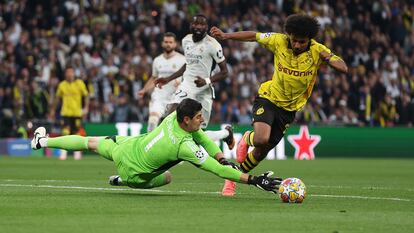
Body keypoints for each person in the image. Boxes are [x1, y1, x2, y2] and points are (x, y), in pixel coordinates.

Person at [210, 14, 348, 195]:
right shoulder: (279, 40)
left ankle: (232, 178)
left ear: (309, 40)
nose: (297, 45)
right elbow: (254, 35)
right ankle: (247, 138)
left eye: (302, 42)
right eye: (294, 40)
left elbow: (343, 68)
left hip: (289, 109)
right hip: (268, 98)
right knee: (261, 139)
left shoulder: (318, 50)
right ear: (289, 35)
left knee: (260, 152)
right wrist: (226, 36)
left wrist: (328, 57)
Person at [31, 98, 282, 193]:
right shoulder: (184, 146)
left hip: (128, 147)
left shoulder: (174, 116)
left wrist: (219, 154)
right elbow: (219, 172)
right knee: (169, 176)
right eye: (198, 118)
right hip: (134, 171)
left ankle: (42, 140)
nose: (202, 121)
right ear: (187, 119)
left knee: (89, 142)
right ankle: (123, 181)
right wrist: (253, 180)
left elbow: (202, 136)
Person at [154, 14, 235, 150]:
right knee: (170, 112)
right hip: (187, 85)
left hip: (203, 90)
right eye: (196, 23)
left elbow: (225, 72)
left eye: (202, 24)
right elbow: (188, 64)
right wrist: (168, 79)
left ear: (206, 27)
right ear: (191, 25)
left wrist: (206, 81)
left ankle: (226, 133)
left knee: (198, 136)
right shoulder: (186, 40)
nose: (198, 27)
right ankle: (164, 148)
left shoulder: (213, 45)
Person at [138, 32, 186, 132]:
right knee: (152, 121)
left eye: (170, 42)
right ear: (162, 44)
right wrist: (144, 90)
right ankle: (149, 144)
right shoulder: (157, 60)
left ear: (175, 44)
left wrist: (181, 84)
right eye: (166, 42)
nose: (168, 44)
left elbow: (187, 78)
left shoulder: (182, 60)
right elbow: (153, 78)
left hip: (175, 99)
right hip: (159, 97)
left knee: (173, 128)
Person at [49, 66, 89, 160]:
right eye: (68, 72)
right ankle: (63, 154)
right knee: (65, 132)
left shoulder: (80, 83)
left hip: (76, 113)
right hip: (65, 112)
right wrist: (53, 110)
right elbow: (57, 98)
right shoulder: (62, 85)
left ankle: (77, 154)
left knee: (77, 133)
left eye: (71, 72)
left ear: (74, 73)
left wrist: (86, 108)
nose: (69, 74)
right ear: (65, 74)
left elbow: (86, 96)